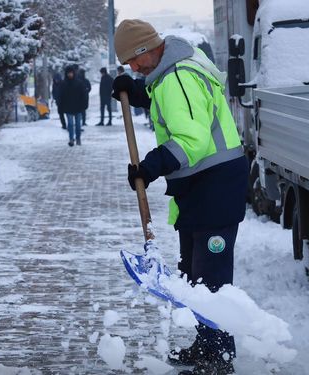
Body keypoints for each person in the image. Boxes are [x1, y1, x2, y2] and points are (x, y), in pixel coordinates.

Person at [112, 19, 248, 375]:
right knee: (195, 275)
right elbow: (176, 105)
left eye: (133, 61)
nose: (133, 68)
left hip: (215, 189)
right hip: (202, 190)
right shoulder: (172, 72)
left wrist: (148, 167)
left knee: (212, 279)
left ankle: (219, 358)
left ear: (146, 50)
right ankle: (206, 346)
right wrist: (139, 91)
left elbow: (192, 139)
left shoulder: (177, 77)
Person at [59, 65, 88, 146]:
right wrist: (61, 107)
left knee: (78, 125)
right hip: (68, 108)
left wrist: (84, 105)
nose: (70, 75)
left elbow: (84, 95)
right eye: (68, 73)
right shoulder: (64, 84)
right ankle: (71, 139)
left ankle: (78, 138)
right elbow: (61, 96)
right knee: (70, 124)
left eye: (71, 73)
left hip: (78, 107)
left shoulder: (79, 83)